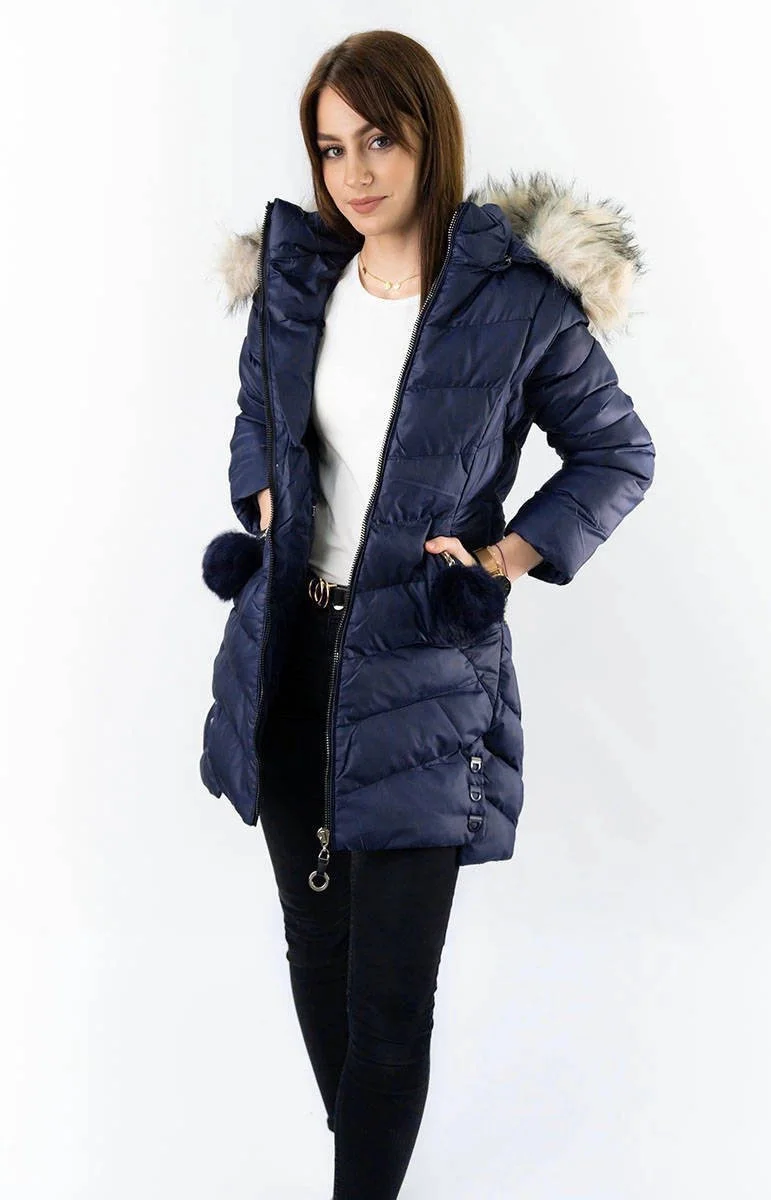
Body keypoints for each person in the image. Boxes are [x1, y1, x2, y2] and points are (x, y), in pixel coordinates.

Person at [199, 29, 656, 1200]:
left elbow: (616, 454)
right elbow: (257, 417)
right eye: (331, 148)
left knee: (392, 994)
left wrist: (501, 557)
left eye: (379, 140)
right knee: (317, 948)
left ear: (427, 136)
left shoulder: (513, 303)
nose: (354, 173)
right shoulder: (297, 283)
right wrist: (262, 490)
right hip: (290, 652)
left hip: (422, 671)